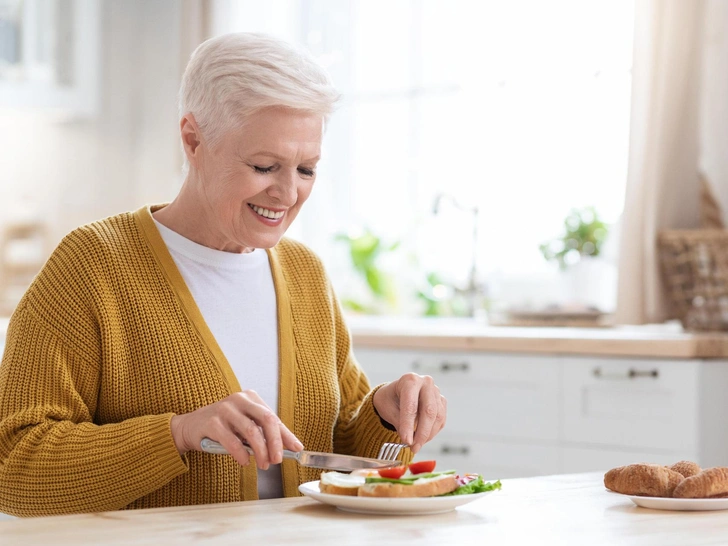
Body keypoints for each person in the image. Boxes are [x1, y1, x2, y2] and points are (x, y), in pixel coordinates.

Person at [0, 32, 447, 517]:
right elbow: (16, 469)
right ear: (193, 139)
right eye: (264, 165)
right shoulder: (92, 266)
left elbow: (334, 441)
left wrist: (384, 412)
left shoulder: (304, 273)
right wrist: (178, 433)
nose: (287, 193)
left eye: (306, 169)